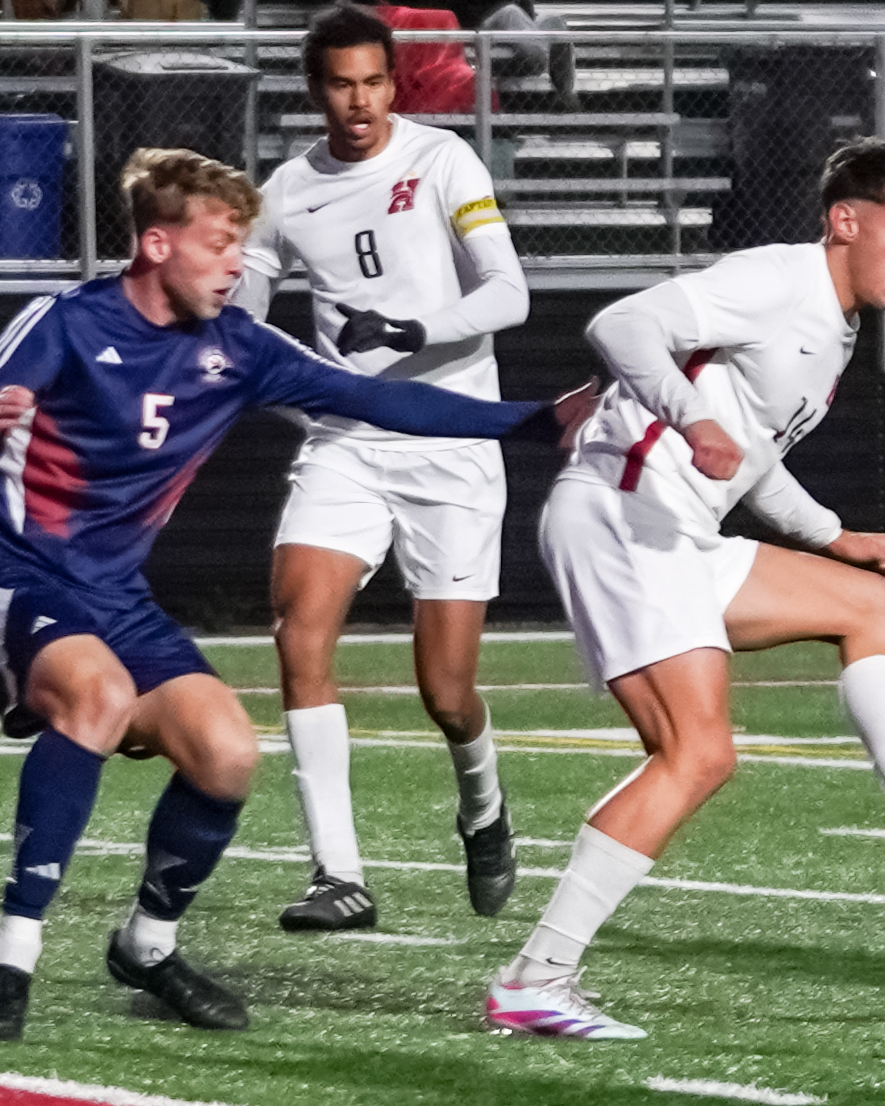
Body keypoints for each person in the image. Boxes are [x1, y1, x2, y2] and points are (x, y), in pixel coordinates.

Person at [0, 147, 591, 1042]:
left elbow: (375, 402)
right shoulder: (66, 322)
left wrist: (535, 424)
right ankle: (11, 958)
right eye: (220, 244)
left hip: (114, 594)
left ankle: (147, 948)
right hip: (9, 572)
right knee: (98, 697)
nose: (237, 263)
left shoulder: (240, 348)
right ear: (157, 245)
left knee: (227, 753)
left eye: (242, 245)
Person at [481, 139, 885, 1041]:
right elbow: (622, 327)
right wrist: (690, 419)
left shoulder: (835, 326)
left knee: (871, 604)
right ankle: (535, 980)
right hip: (623, 515)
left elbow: (752, 456)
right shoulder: (780, 278)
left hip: (678, 533)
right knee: (697, 754)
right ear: (844, 222)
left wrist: (833, 535)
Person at [231, 2, 533, 933]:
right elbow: (241, 320)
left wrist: (412, 330)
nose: (358, 102)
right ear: (313, 89)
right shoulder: (283, 191)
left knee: (445, 694)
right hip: (346, 445)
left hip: (448, 444)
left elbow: (509, 295)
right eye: (339, 84)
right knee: (299, 628)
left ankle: (484, 808)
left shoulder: (443, 161)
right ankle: (338, 875)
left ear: (394, 82)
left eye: (373, 82)